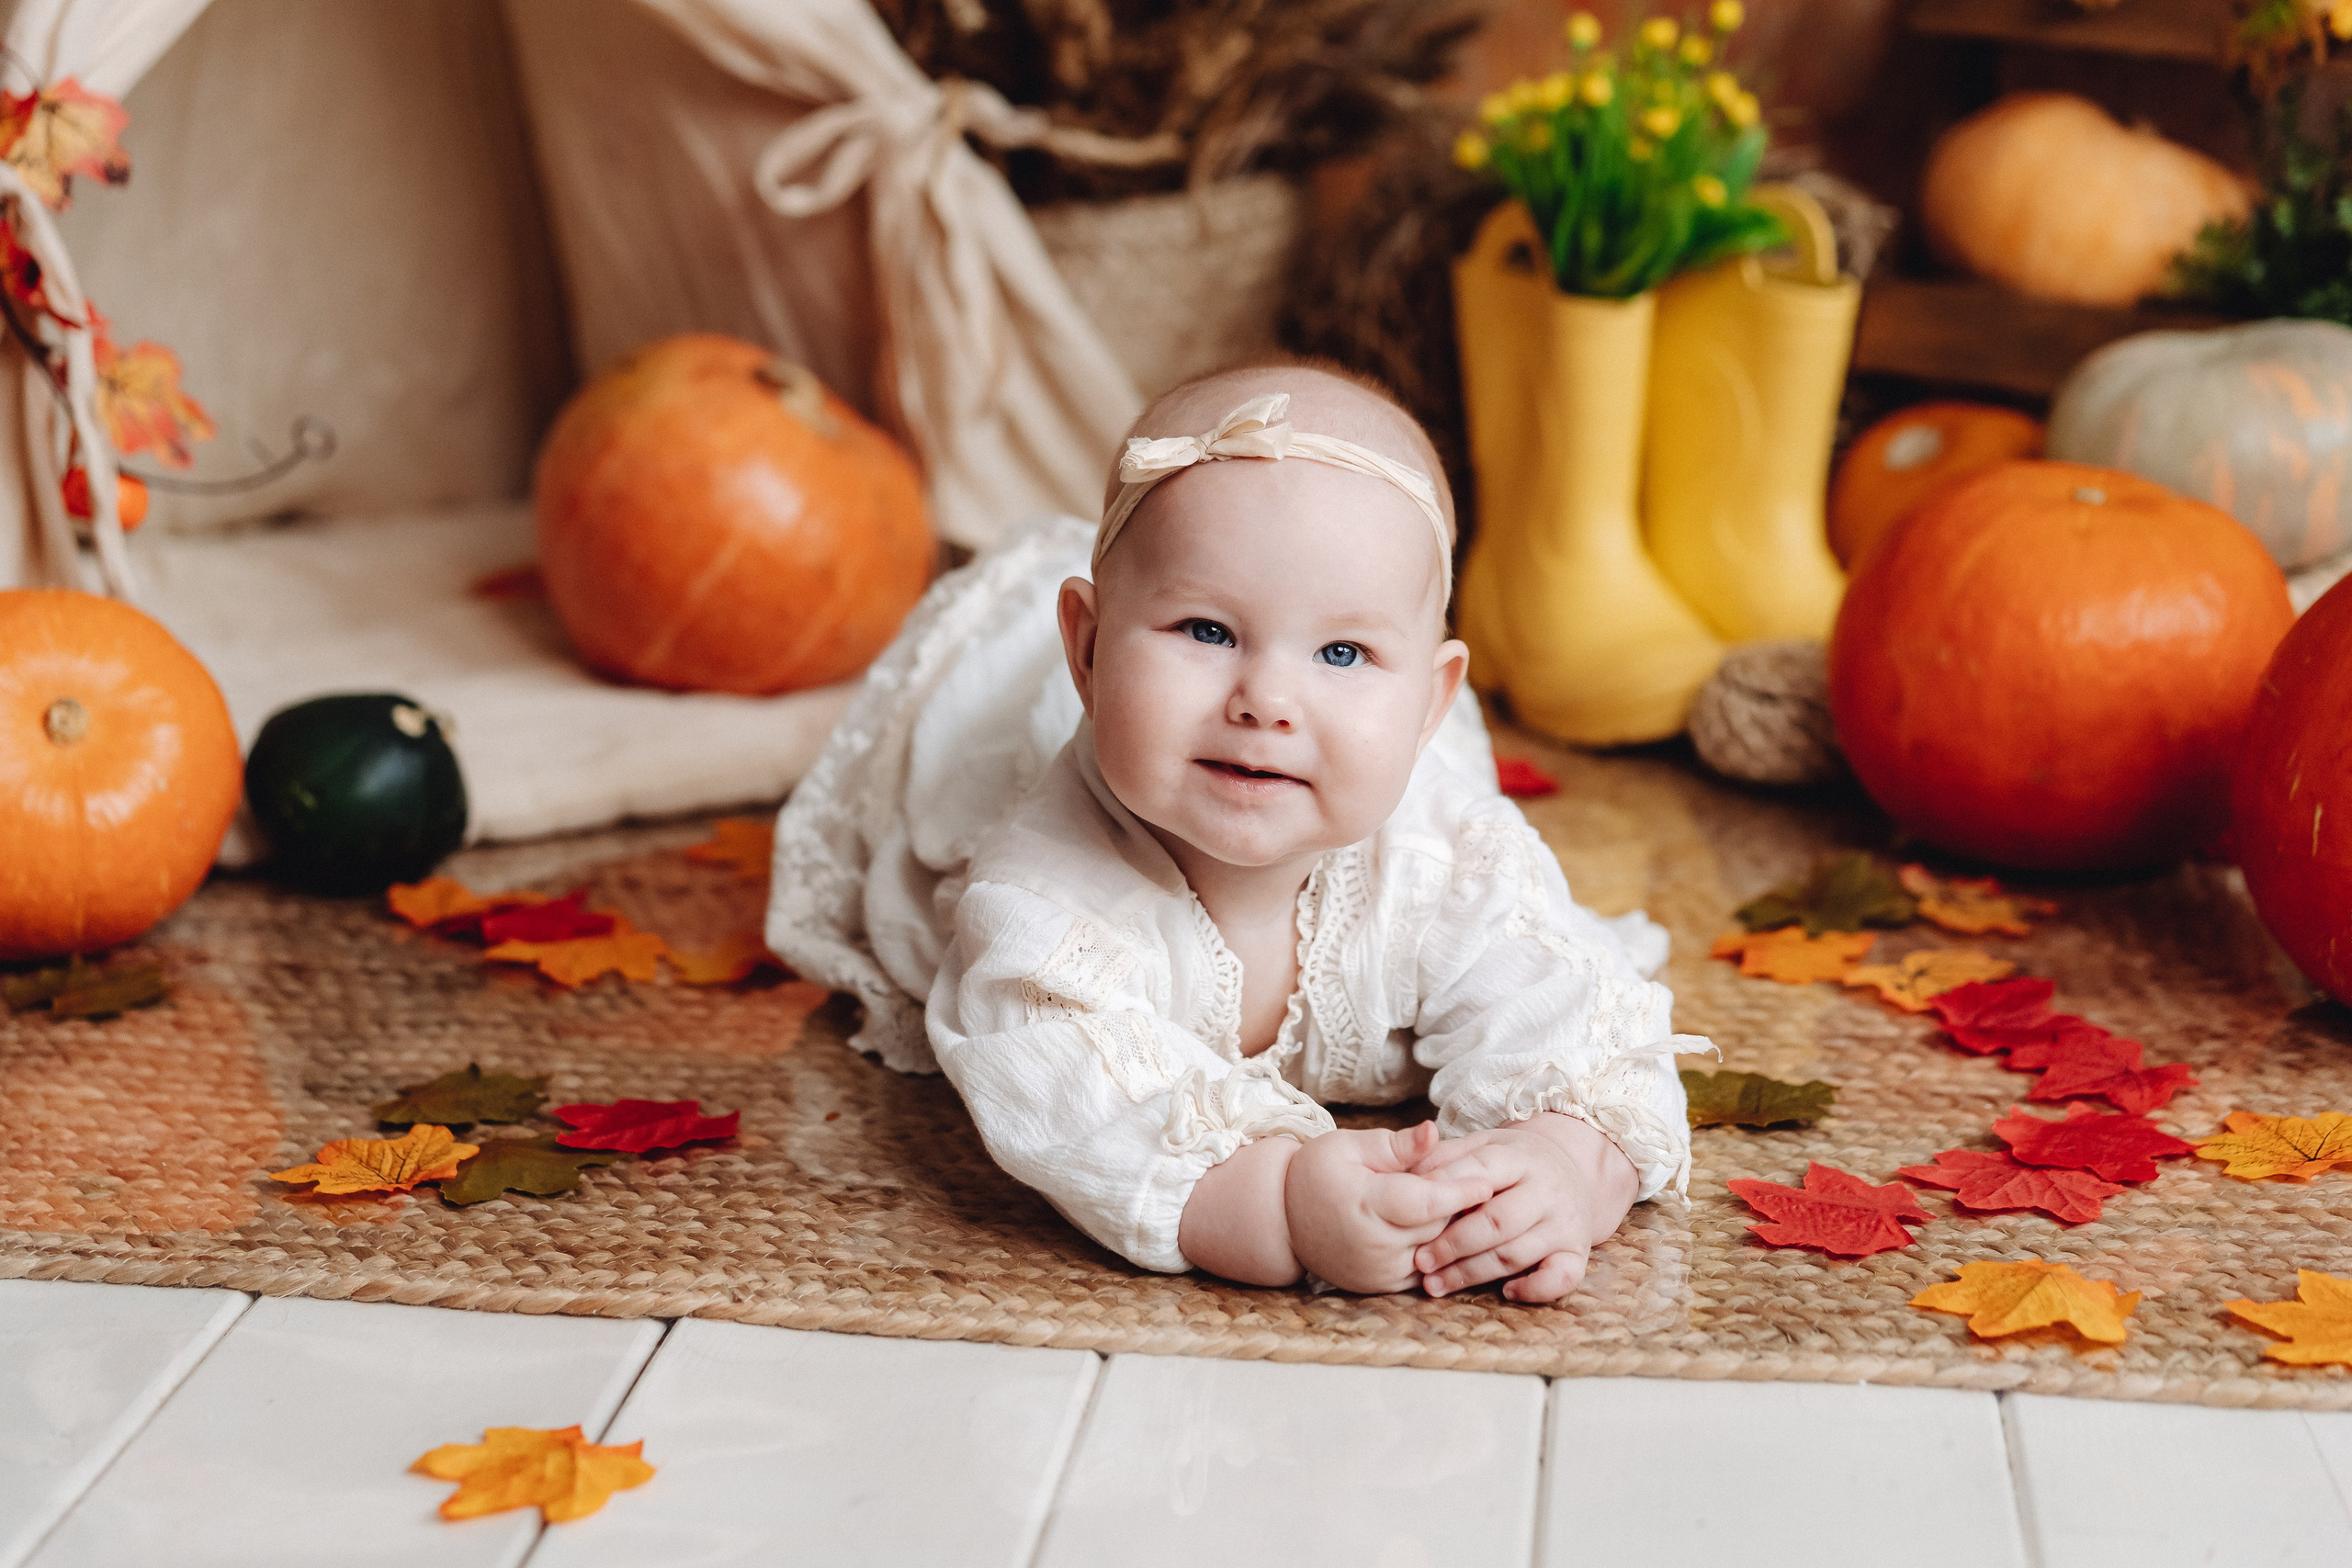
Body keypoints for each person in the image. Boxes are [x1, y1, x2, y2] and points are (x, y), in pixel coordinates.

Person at [769, 362, 1703, 1303]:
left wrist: (1563, 1162)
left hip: (1370, 758)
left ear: (1430, 700)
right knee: (960, 737)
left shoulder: (1442, 853)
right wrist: (1278, 1202)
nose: (1266, 701)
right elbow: (1072, 1100)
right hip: (1029, 704)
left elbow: (1569, 1008)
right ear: (1089, 650)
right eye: (1207, 631)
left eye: (1343, 652)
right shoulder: (1043, 892)